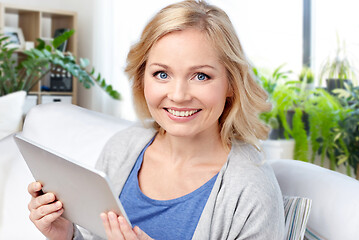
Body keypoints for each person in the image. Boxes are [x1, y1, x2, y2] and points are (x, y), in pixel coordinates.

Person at [27, 0, 285, 239]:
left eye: (201, 76)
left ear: (232, 84)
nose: (178, 95)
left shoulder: (251, 190)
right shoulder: (122, 148)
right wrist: (68, 235)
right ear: (142, 78)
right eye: (162, 74)